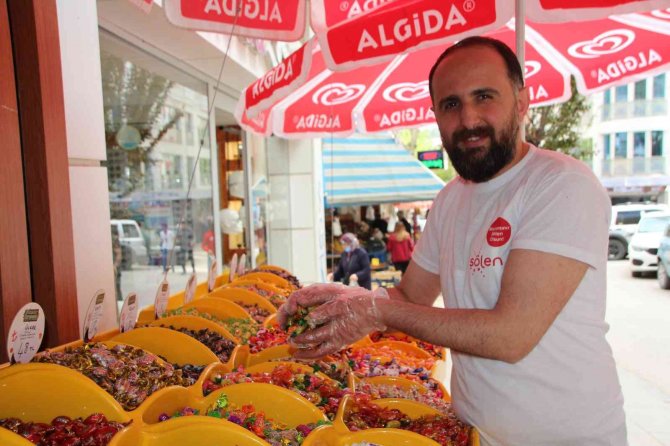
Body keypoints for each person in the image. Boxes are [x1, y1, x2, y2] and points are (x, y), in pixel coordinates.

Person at [278, 36, 625, 445]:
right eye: (451, 104)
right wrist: (341, 297)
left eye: (484, 96)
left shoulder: (562, 185)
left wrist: (374, 312)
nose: (468, 119)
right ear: (435, 115)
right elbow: (411, 295)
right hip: (472, 430)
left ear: (522, 101)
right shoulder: (450, 198)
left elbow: (511, 335)